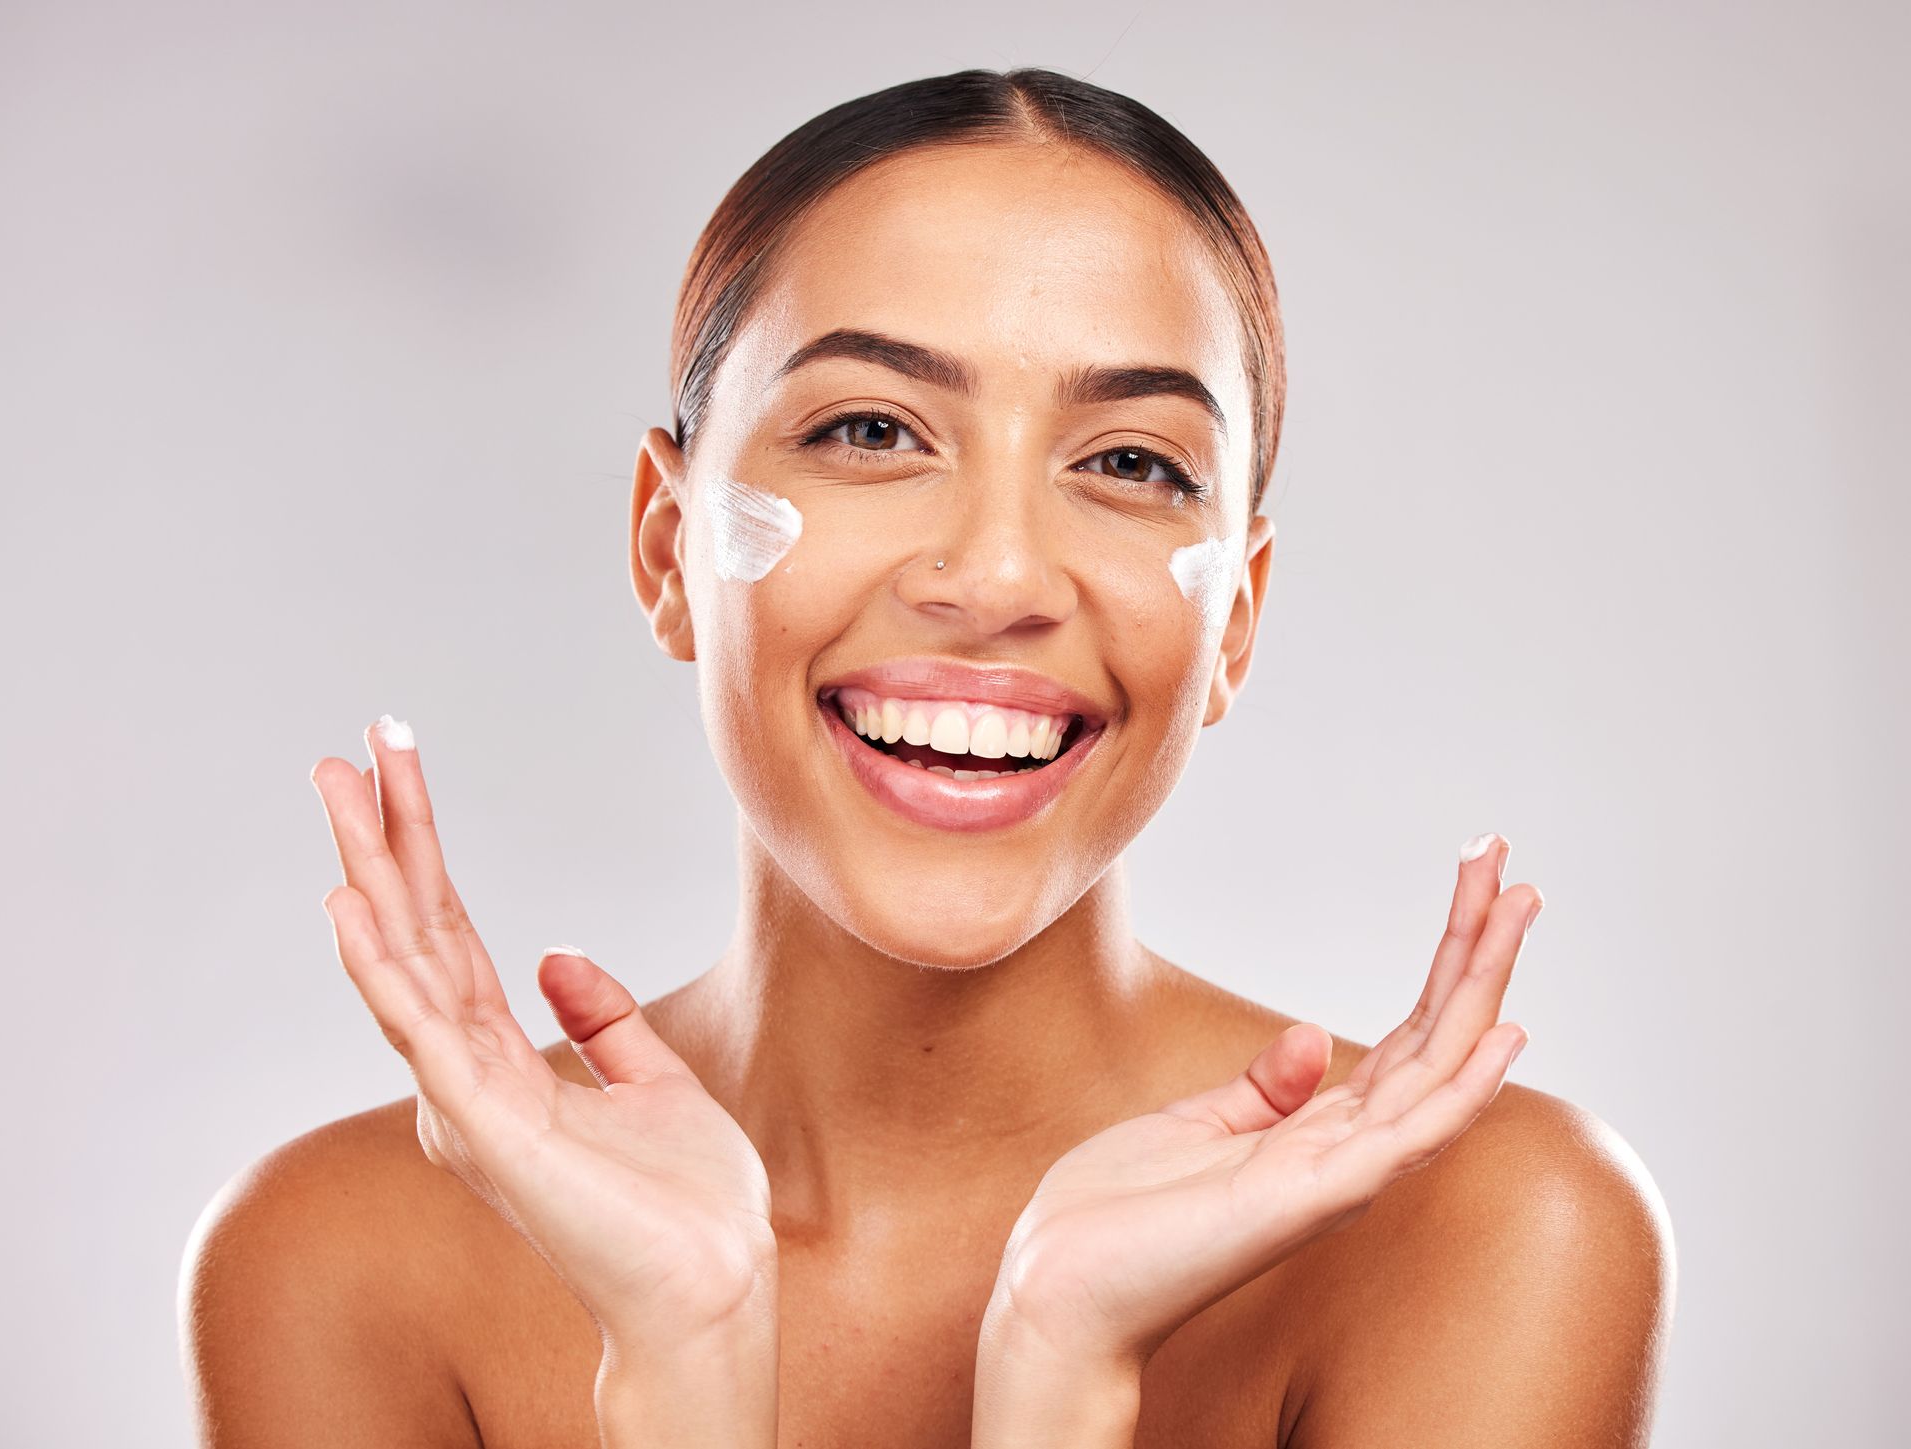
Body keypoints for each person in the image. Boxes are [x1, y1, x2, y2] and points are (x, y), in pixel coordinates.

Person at [179, 67, 1672, 1447]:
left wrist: (1061, 1358)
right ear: (666, 543)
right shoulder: (336, 1261)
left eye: (1131, 463)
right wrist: (684, 1363)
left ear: (1235, 619)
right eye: (872, 429)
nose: (999, 571)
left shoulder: (1490, 1228)